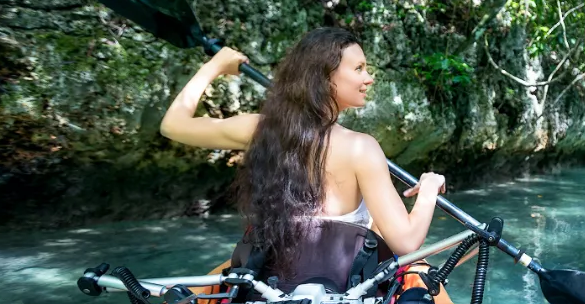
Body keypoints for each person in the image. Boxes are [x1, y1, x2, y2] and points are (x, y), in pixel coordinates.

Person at [159, 26, 447, 283]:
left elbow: (173, 126)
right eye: (358, 68)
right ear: (324, 77)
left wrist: (214, 66)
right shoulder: (361, 147)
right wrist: (430, 187)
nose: (369, 78)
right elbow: (406, 242)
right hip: (340, 292)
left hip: (272, 287)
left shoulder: (259, 129)